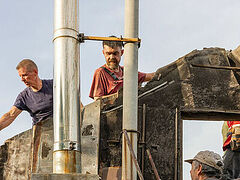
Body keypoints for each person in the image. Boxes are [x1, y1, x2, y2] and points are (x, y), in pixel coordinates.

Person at [89, 36, 155, 100]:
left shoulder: (127, 71)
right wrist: (119, 96)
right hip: (114, 110)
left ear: (122, 52)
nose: (111, 57)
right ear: (103, 53)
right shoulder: (101, 72)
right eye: (108, 54)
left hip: (131, 109)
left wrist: (164, 72)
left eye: (115, 53)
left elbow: (151, 76)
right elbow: (98, 100)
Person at [0, 59, 53, 130]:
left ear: (35, 72)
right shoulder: (24, 96)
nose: (22, 79)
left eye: (24, 75)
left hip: (62, 130)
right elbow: (10, 115)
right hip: (41, 134)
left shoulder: (54, 85)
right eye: (20, 76)